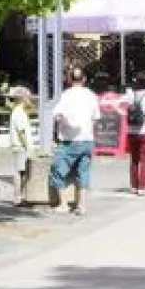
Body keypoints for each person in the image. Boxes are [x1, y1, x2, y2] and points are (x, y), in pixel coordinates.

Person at [50, 66, 100, 215]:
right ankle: (82, 205)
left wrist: (57, 133)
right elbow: (96, 118)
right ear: (84, 79)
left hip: (69, 141)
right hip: (87, 139)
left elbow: (57, 116)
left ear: (69, 79)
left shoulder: (66, 95)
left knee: (58, 171)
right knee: (83, 173)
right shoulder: (91, 95)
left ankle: (64, 204)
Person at [8, 86, 34, 203]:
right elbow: (21, 132)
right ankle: (17, 197)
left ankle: (20, 196)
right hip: (21, 146)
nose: (30, 100)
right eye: (28, 97)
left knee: (22, 171)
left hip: (21, 146)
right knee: (20, 171)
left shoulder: (19, 111)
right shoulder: (19, 112)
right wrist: (27, 147)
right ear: (23, 98)